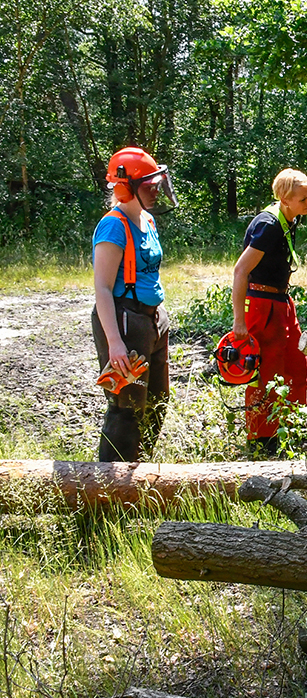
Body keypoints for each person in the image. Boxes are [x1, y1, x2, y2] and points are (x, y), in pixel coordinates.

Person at [92, 147, 177, 462]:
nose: (155, 190)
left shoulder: (148, 220)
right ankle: (110, 492)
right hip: (125, 319)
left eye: (157, 184)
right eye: (148, 185)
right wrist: (114, 342)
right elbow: (102, 287)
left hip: (152, 318)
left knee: (157, 400)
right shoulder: (114, 225)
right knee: (126, 406)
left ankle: (141, 471)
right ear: (126, 187)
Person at [231, 169, 307, 457]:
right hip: (261, 305)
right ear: (285, 199)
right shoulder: (268, 226)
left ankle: (290, 429)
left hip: (281, 302)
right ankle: (262, 442)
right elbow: (241, 270)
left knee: (295, 366)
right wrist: (239, 322)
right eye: (304, 199)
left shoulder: (289, 218)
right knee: (265, 374)